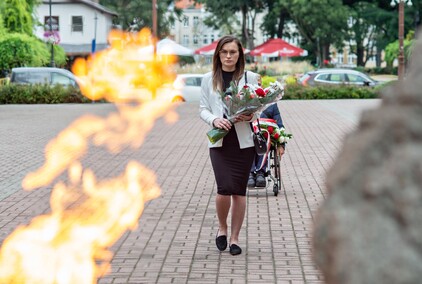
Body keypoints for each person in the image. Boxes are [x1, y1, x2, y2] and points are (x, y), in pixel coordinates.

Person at [199, 35, 260, 256]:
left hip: (243, 143)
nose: (228, 56)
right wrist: (214, 120)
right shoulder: (209, 78)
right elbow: (203, 109)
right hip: (219, 142)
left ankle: (234, 238)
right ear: (218, 54)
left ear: (239, 55)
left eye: (232, 52)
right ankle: (222, 227)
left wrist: (251, 115)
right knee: (224, 189)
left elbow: (259, 107)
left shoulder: (250, 77)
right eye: (224, 52)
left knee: (239, 192)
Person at [248, 102, 286, 187]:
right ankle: (250, 172)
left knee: (263, 140)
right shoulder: (247, 102)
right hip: (250, 137)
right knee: (250, 140)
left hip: (266, 139)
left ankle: (260, 172)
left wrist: (281, 145)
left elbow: (279, 125)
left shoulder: (272, 105)